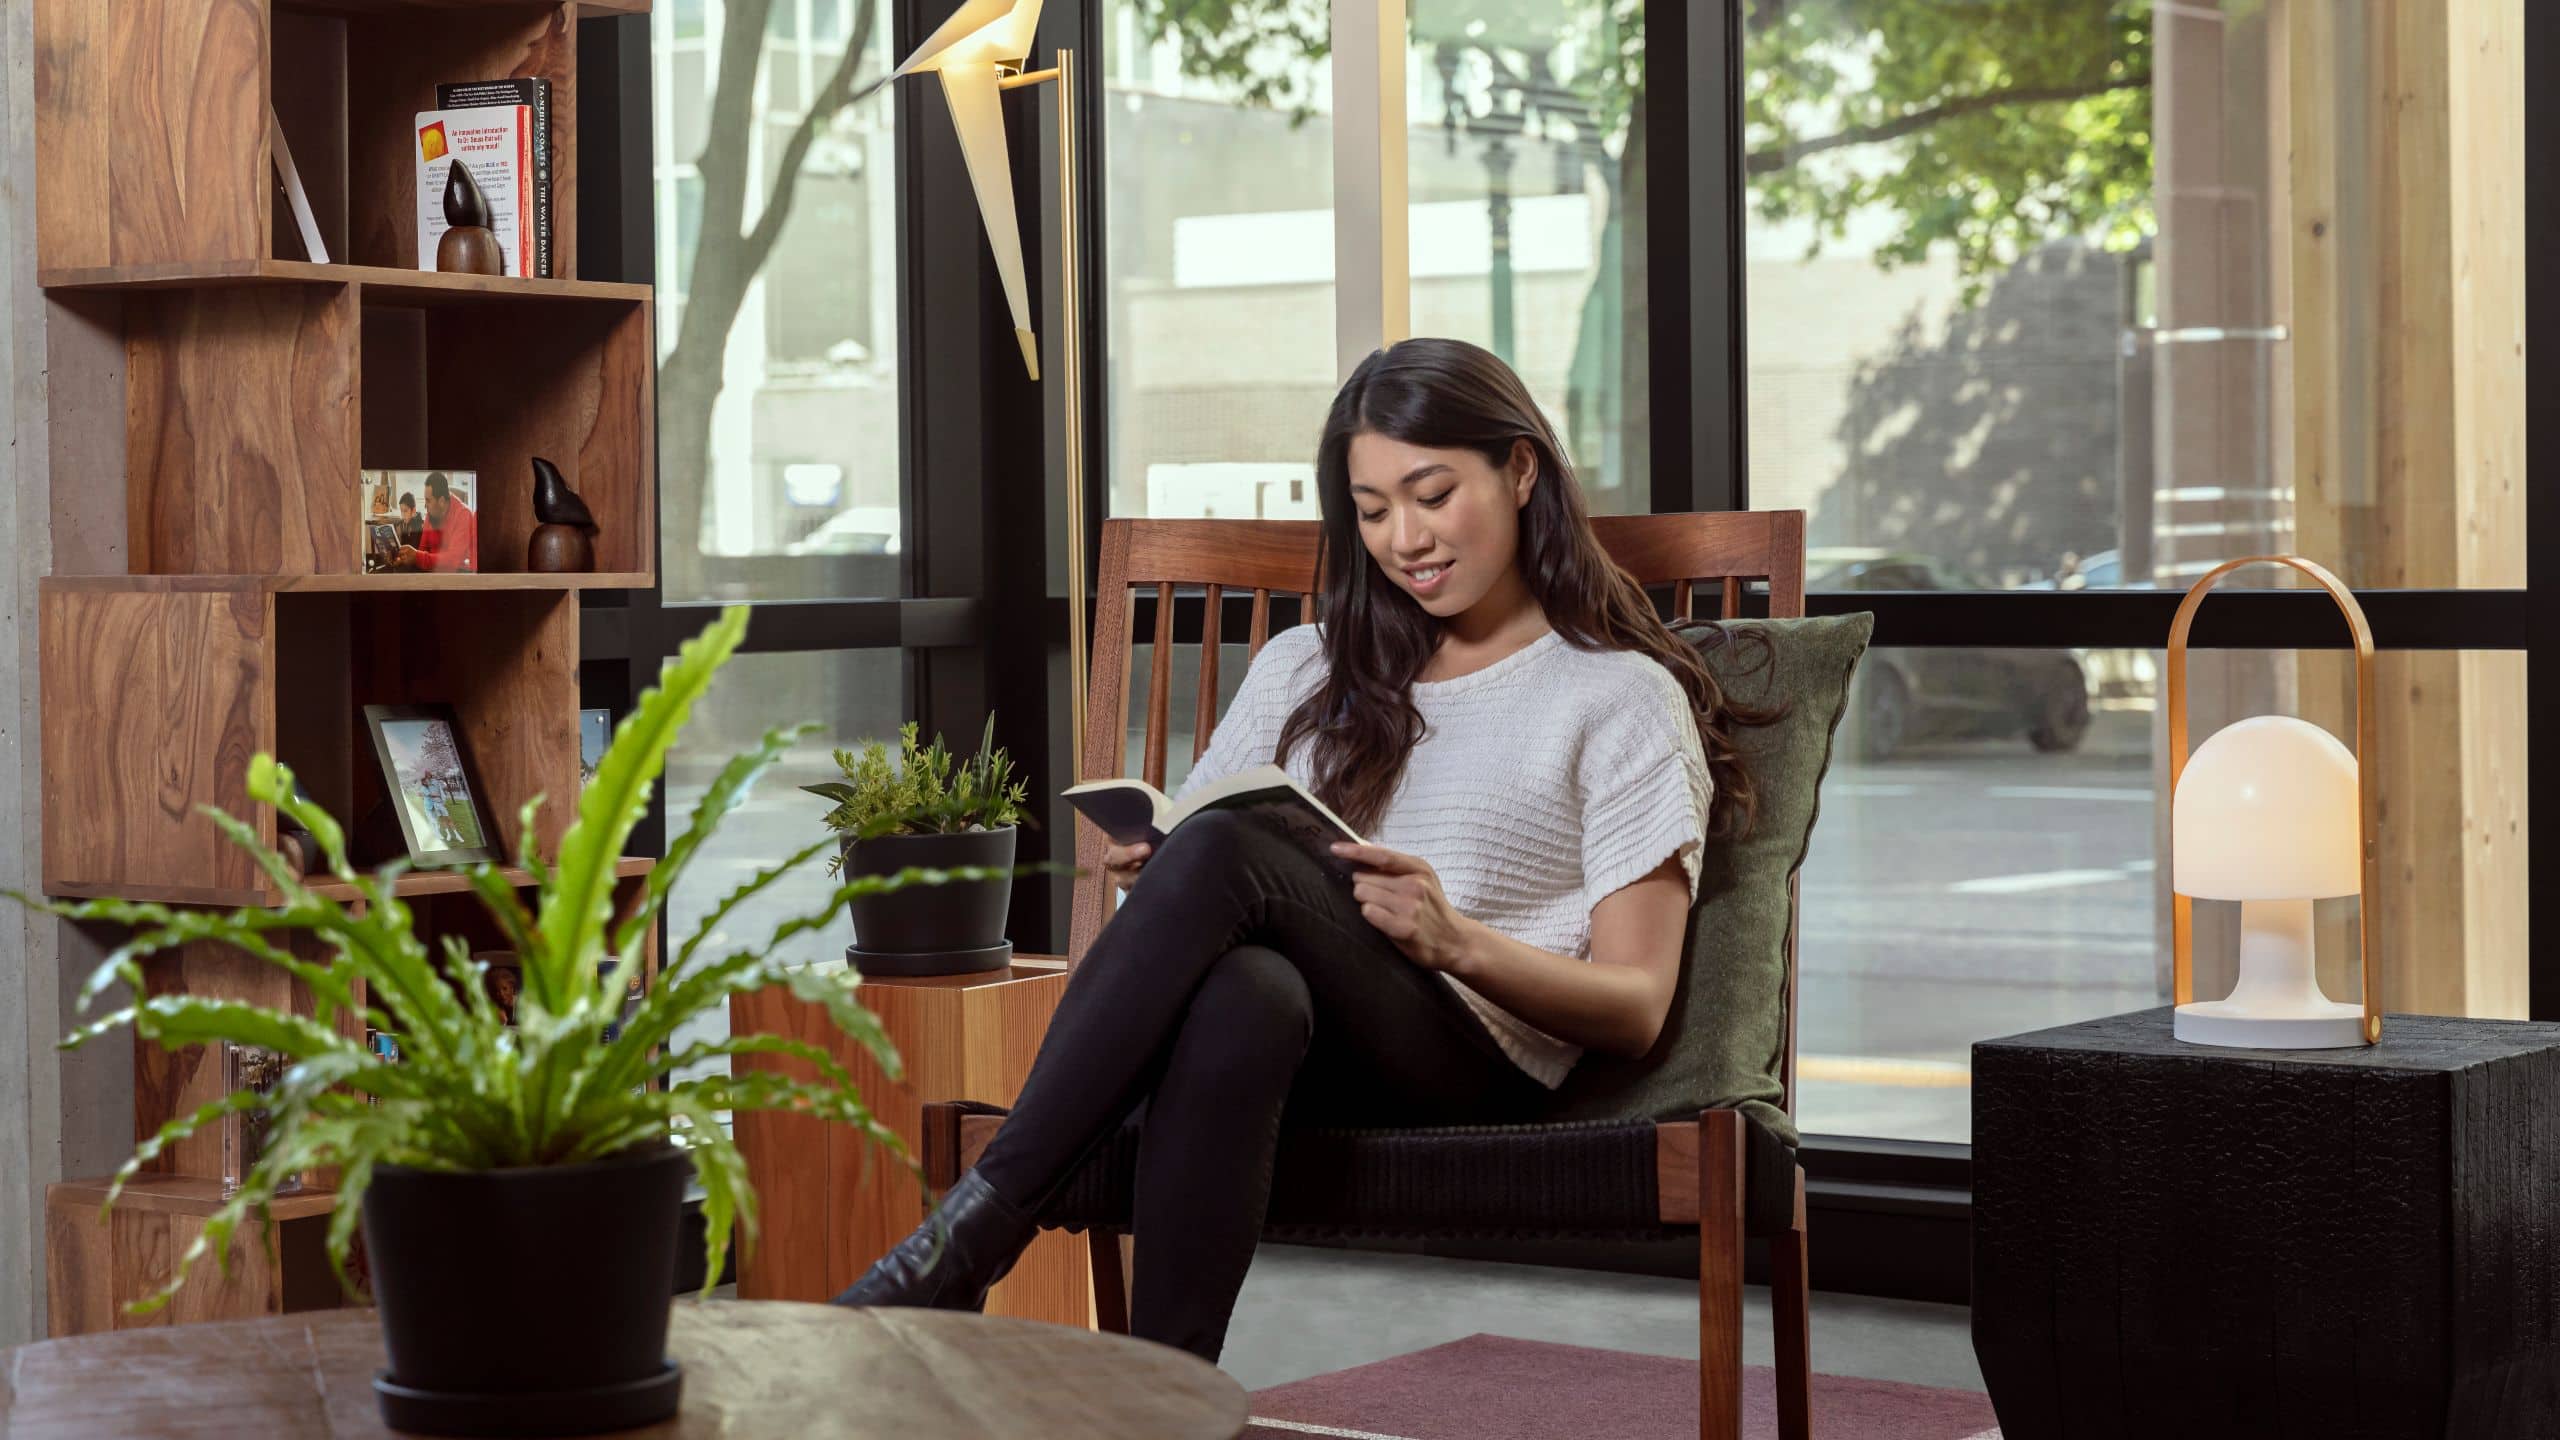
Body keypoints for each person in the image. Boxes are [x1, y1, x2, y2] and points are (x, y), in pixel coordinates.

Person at [835, 337, 1768, 1365]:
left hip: (1473, 1060)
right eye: (1372, 512)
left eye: (1431, 493)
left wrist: (1454, 941)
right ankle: (1166, 1399)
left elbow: (1636, 1007)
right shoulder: (1303, 667)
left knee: (1229, 854)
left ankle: (968, 1238)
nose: (1405, 538)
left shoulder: (1615, 694)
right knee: (1245, 985)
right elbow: (1218, 853)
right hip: (1290, 1043)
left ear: (1519, 469)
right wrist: (1169, 868)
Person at [397, 472, 477, 573]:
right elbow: (422, 549)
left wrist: (417, 557)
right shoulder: (431, 514)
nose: (425, 505)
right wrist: (404, 558)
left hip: (455, 576)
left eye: (428, 500)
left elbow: (452, 560)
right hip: (431, 573)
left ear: (442, 501)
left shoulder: (464, 515)